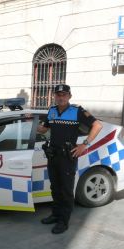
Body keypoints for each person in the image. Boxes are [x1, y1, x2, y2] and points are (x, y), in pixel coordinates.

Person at [37, 84, 102, 234]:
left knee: (66, 189)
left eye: (64, 95)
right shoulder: (52, 111)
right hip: (53, 155)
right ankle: (55, 214)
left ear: (69, 96)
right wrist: (30, 123)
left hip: (68, 156)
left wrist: (84, 145)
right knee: (55, 187)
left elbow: (97, 126)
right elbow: (44, 129)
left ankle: (63, 221)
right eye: (58, 94)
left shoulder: (77, 111)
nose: (60, 97)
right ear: (54, 96)